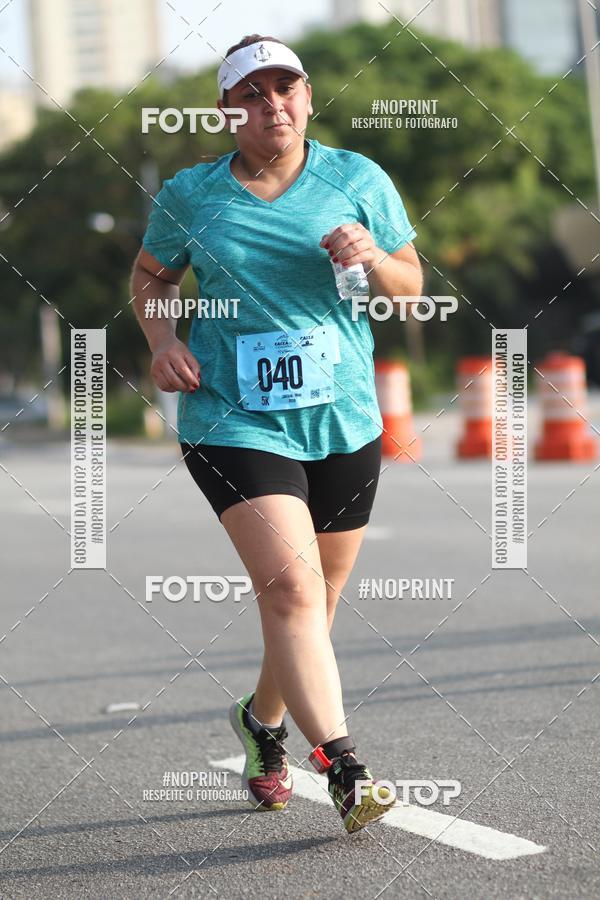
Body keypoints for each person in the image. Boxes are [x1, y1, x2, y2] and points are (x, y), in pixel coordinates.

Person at [131, 34, 422, 834]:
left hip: (343, 418)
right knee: (291, 589)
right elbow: (152, 275)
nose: (272, 106)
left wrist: (373, 257)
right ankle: (344, 765)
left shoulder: (357, 179)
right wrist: (164, 343)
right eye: (252, 95)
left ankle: (263, 723)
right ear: (228, 111)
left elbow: (409, 285)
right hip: (232, 415)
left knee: (313, 606)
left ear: (308, 95)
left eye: (284, 88)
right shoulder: (193, 194)